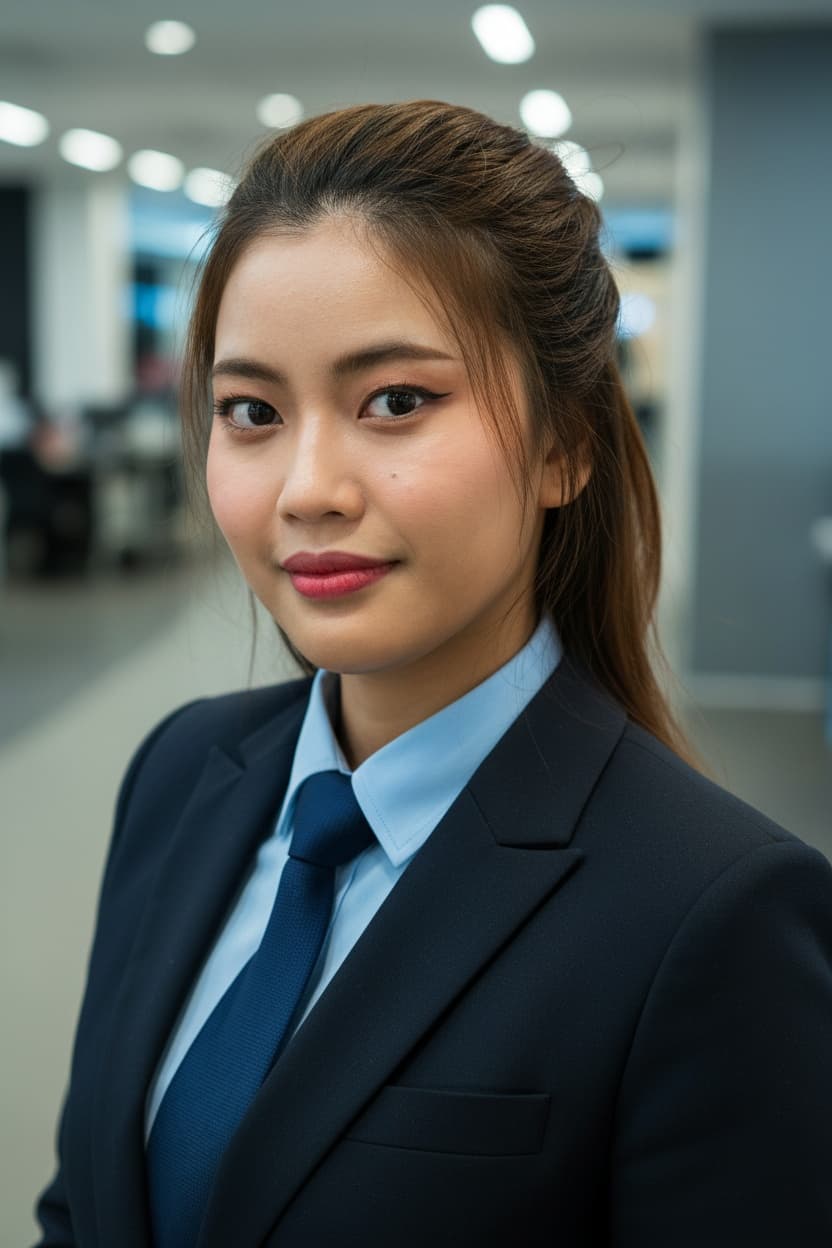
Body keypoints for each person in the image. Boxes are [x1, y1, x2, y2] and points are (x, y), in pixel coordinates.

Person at [34, 100, 832, 1248]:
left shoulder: (714, 915)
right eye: (250, 410)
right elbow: (88, 1204)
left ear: (565, 445)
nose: (308, 486)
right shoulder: (181, 773)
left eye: (396, 402)